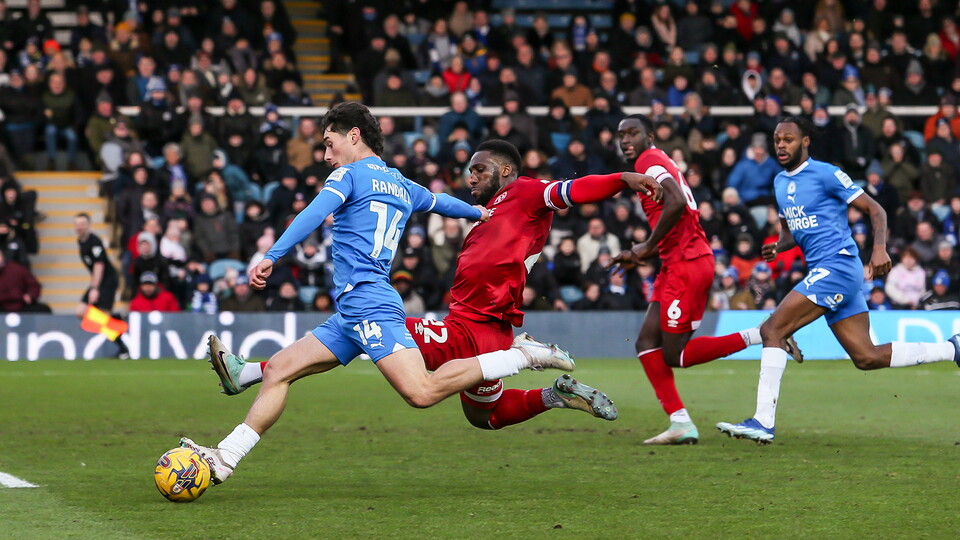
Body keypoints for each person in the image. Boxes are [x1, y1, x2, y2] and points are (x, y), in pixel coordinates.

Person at [179, 103, 581, 485]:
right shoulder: (400, 183)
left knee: (421, 393)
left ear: (353, 136)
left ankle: (521, 355)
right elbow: (440, 202)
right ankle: (226, 455)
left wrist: (272, 256)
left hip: (370, 303)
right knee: (281, 371)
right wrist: (479, 213)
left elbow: (314, 213)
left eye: (328, 142)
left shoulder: (348, 176)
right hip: (353, 309)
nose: (325, 154)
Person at [208, 138, 661, 436]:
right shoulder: (487, 212)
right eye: (469, 170)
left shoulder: (523, 193)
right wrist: (467, 212)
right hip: (484, 327)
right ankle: (553, 394)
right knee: (485, 416)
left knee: (371, 327)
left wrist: (623, 179)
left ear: (505, 171)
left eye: (480, 170)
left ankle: (248, 371)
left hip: (471, 327)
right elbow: (440, 201)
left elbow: (572, 190)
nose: (471, 176)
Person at [717, 117, 960, 444]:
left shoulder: (826, 173)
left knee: (771, 329)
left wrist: (879, 250)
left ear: (805, 142)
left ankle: (763, 421)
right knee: (866, 357)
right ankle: (951, 349)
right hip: (828, 272)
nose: (781, 145)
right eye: (777, 140)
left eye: (788, 139)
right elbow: (792, 230)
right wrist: (779, 245)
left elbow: (876, 210)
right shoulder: (778, 182)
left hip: (839, 267)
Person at [611, 114, 800, 445]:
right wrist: (649, 252)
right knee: (645, 343)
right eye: (621, 135)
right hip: (677, 262)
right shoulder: (656, 159)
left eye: (633, 133)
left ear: (649, 136)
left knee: (676, 355)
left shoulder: (648, 159)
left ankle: (761, 334)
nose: (626, 140)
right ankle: (680, 422)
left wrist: (646, 246)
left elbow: (677, 201)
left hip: (687, 263)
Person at [74, 213, 129, 359]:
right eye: (77, 224)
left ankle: (123, 350)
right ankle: (117, 317)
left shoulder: (94, 242)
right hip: (99, 281)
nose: (80, 227)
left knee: (104, 320)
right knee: (81, 311)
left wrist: (95, 288)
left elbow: (99, 265)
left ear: (89, 225)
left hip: (107, 281)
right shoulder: (81, 241)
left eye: (83, 223)